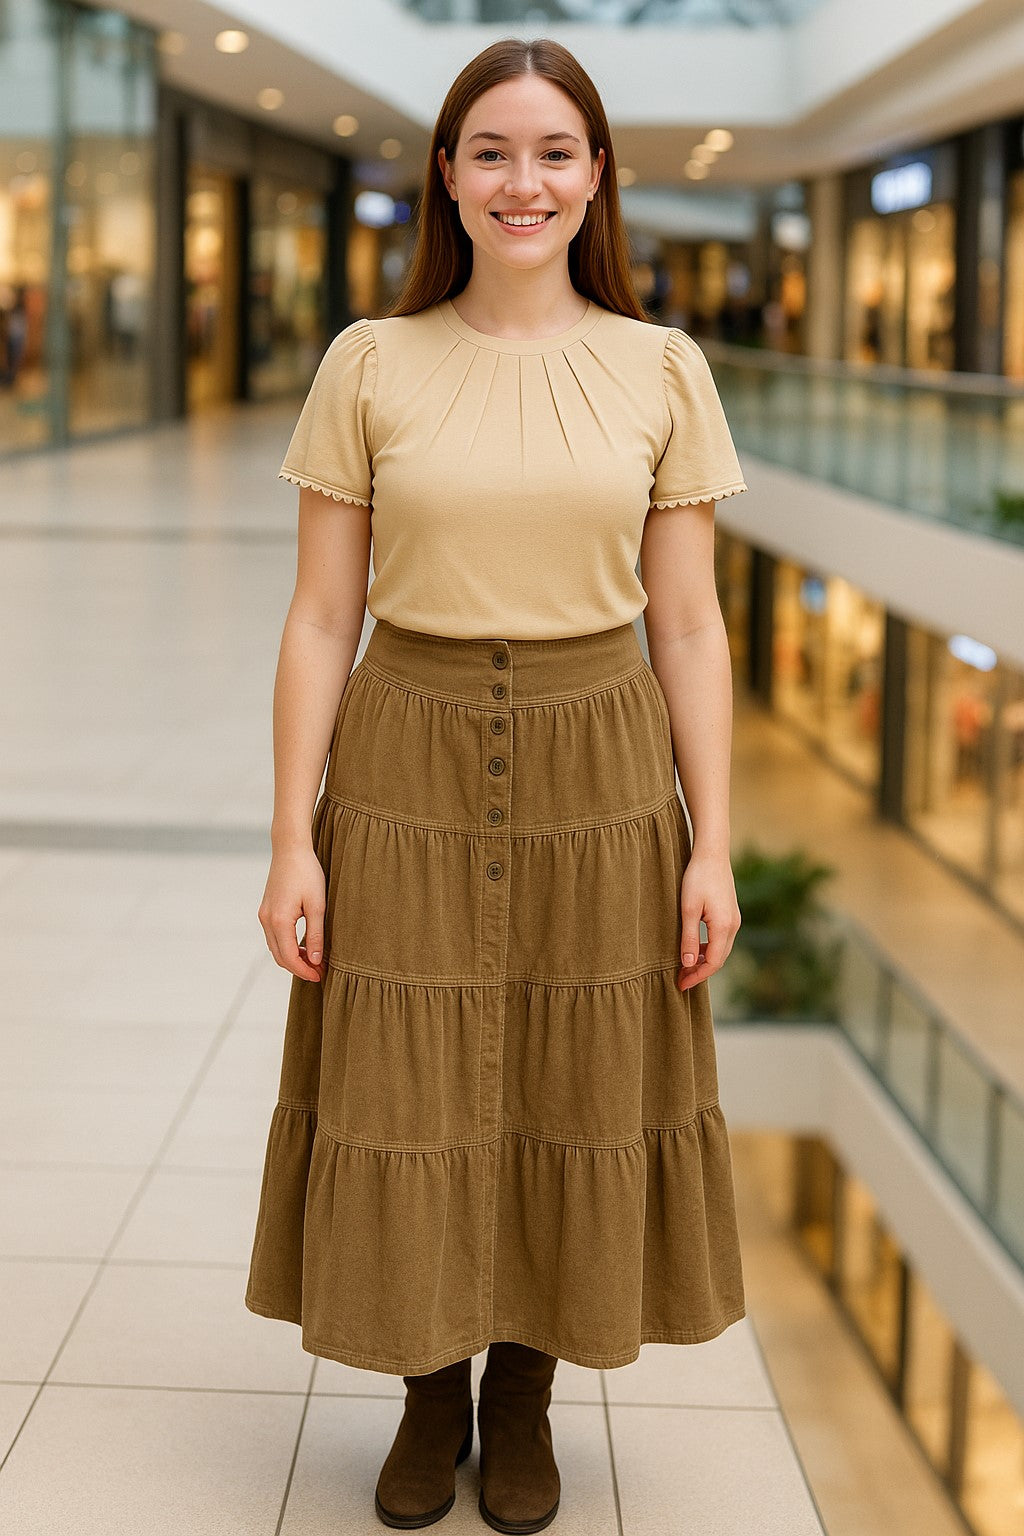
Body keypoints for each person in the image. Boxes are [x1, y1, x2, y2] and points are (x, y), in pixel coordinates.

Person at [246, 35, 749, 1534]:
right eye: (490, 151)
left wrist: (712, 841)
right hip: (406, 746)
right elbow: (323, 617)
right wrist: (291, 836)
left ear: (596, 176)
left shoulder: (663, 367)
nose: (521, 181)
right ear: (447, 176)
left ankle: (524, 1389)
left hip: (604, 756)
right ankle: (425, 1389)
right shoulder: (369, 361)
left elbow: (689, 623)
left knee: (571, 1072)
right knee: (407, 1075)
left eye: (552, 152)